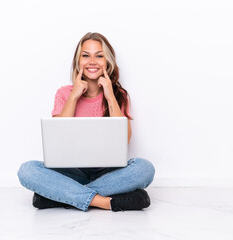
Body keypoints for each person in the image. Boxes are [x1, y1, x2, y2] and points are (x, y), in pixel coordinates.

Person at [17, 32, 156, 212]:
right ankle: (105, 202)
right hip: (73, 172)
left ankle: (60, 197)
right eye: (85, 55)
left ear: (108, 62)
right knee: (27, 170)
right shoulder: (64, 93)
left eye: (99, 56)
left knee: (144, 168)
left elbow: (124, 140)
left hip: (108, 172)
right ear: (78, 61)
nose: (92, 61)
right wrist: (74, 96)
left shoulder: (118, 95)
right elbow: (58, 139)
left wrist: (109, 94)